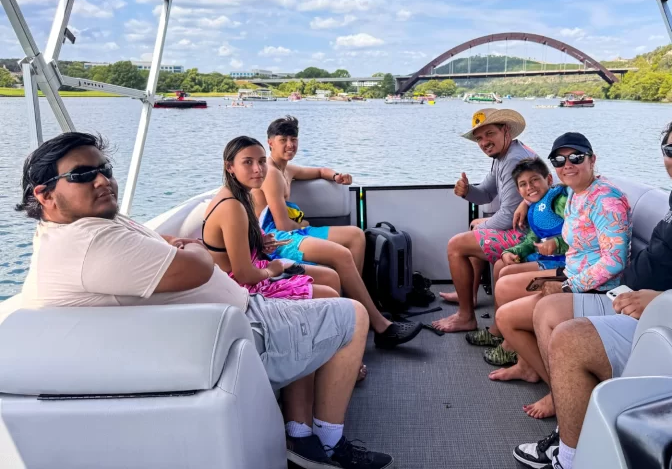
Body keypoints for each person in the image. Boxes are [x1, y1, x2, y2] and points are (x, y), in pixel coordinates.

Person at [15, 132, 393, 469]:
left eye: (105, 168)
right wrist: (193, 251)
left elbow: (169, 248)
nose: (102, 180)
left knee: (313, 303)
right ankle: (330, 444)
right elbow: (199, 265)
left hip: (226, 318)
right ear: (44, 194)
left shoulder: (94, 224)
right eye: (82, 174)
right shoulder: (93, 244)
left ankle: (299, 432)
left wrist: (183, 249)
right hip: (239, 330)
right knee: (352, 314)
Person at [515, 116, 672, 469]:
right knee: (547, 310)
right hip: (631, 295)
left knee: (569, 338)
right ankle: (572, 426)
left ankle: (570, 459)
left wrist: (666, 300)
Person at [492, 132, 630, 421]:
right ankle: (551, 381)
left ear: (592, 160)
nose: (567, 164)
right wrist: (525, 205)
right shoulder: (576, 195)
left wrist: (568, 285)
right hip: (573, 275)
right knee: (507, 307)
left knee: (510, 316)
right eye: (559, 160)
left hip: (600, 291)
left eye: (576, 158)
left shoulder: (605, 201)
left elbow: (615, 261)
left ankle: (562, 394)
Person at [254, 115, 422, 349]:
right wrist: (303, 226)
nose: (290, 145)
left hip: (294, 233)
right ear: (270, 142)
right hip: (276, 240)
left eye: (294, 139)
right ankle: (379, 325)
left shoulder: (287, 169)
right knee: (341, 254)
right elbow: (282, 226)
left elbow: (320, 171)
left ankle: (360, 304)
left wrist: (336, 176)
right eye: (283, 139)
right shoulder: (271, 173)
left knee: (355, 235)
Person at [432, 108, 537, 333]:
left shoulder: (515, 161)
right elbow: (486, 194)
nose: (484, 142)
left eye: (489, 134)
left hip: (533, 235)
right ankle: (468, 295)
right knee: (475, 232)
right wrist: (467, 190)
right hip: (524, 228)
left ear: (505, 131)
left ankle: (466, 316)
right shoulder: (502, 156)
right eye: (479, 138)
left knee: (456, 245)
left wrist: (484, 225)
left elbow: (509, 217)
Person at [202, 136, 340, 300]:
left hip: (252, 270)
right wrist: (272, 271)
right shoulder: (232, 206)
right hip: (240, 289)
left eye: (261, 161)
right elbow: (244, 275)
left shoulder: (239, 195)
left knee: (330, 276)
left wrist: (259, 243)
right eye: (248, 162)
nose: (258, 169)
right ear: (230, 166)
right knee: (329, 294)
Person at [467, 157, 568, 365]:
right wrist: (512, 251)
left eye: (534, 181)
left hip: (562, 263)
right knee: (501, 265)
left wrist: (557, 243)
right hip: (546, 258)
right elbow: (533, 238)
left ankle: (510, 345)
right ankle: (501, 331)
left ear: (548, 179)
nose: (530, 187)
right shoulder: (535, 205)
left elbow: (577, 231)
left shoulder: (558, 201)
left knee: (505, 278)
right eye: (523, 184)